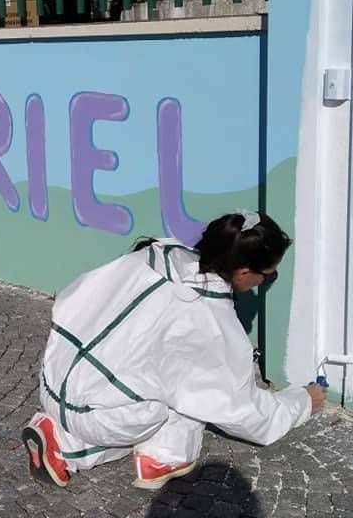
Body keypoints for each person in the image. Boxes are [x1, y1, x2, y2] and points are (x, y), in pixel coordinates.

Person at [22, 210, 326, 490]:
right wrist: (300, 402)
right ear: (244, 272)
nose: (267, 281)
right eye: (269, 275)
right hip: (97, 414)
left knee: (162, 368)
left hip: (53, 379)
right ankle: (157, 455)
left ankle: (55, 430)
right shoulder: (208, 315)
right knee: (195, 385)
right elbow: (239, 408)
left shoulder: (153, 254)